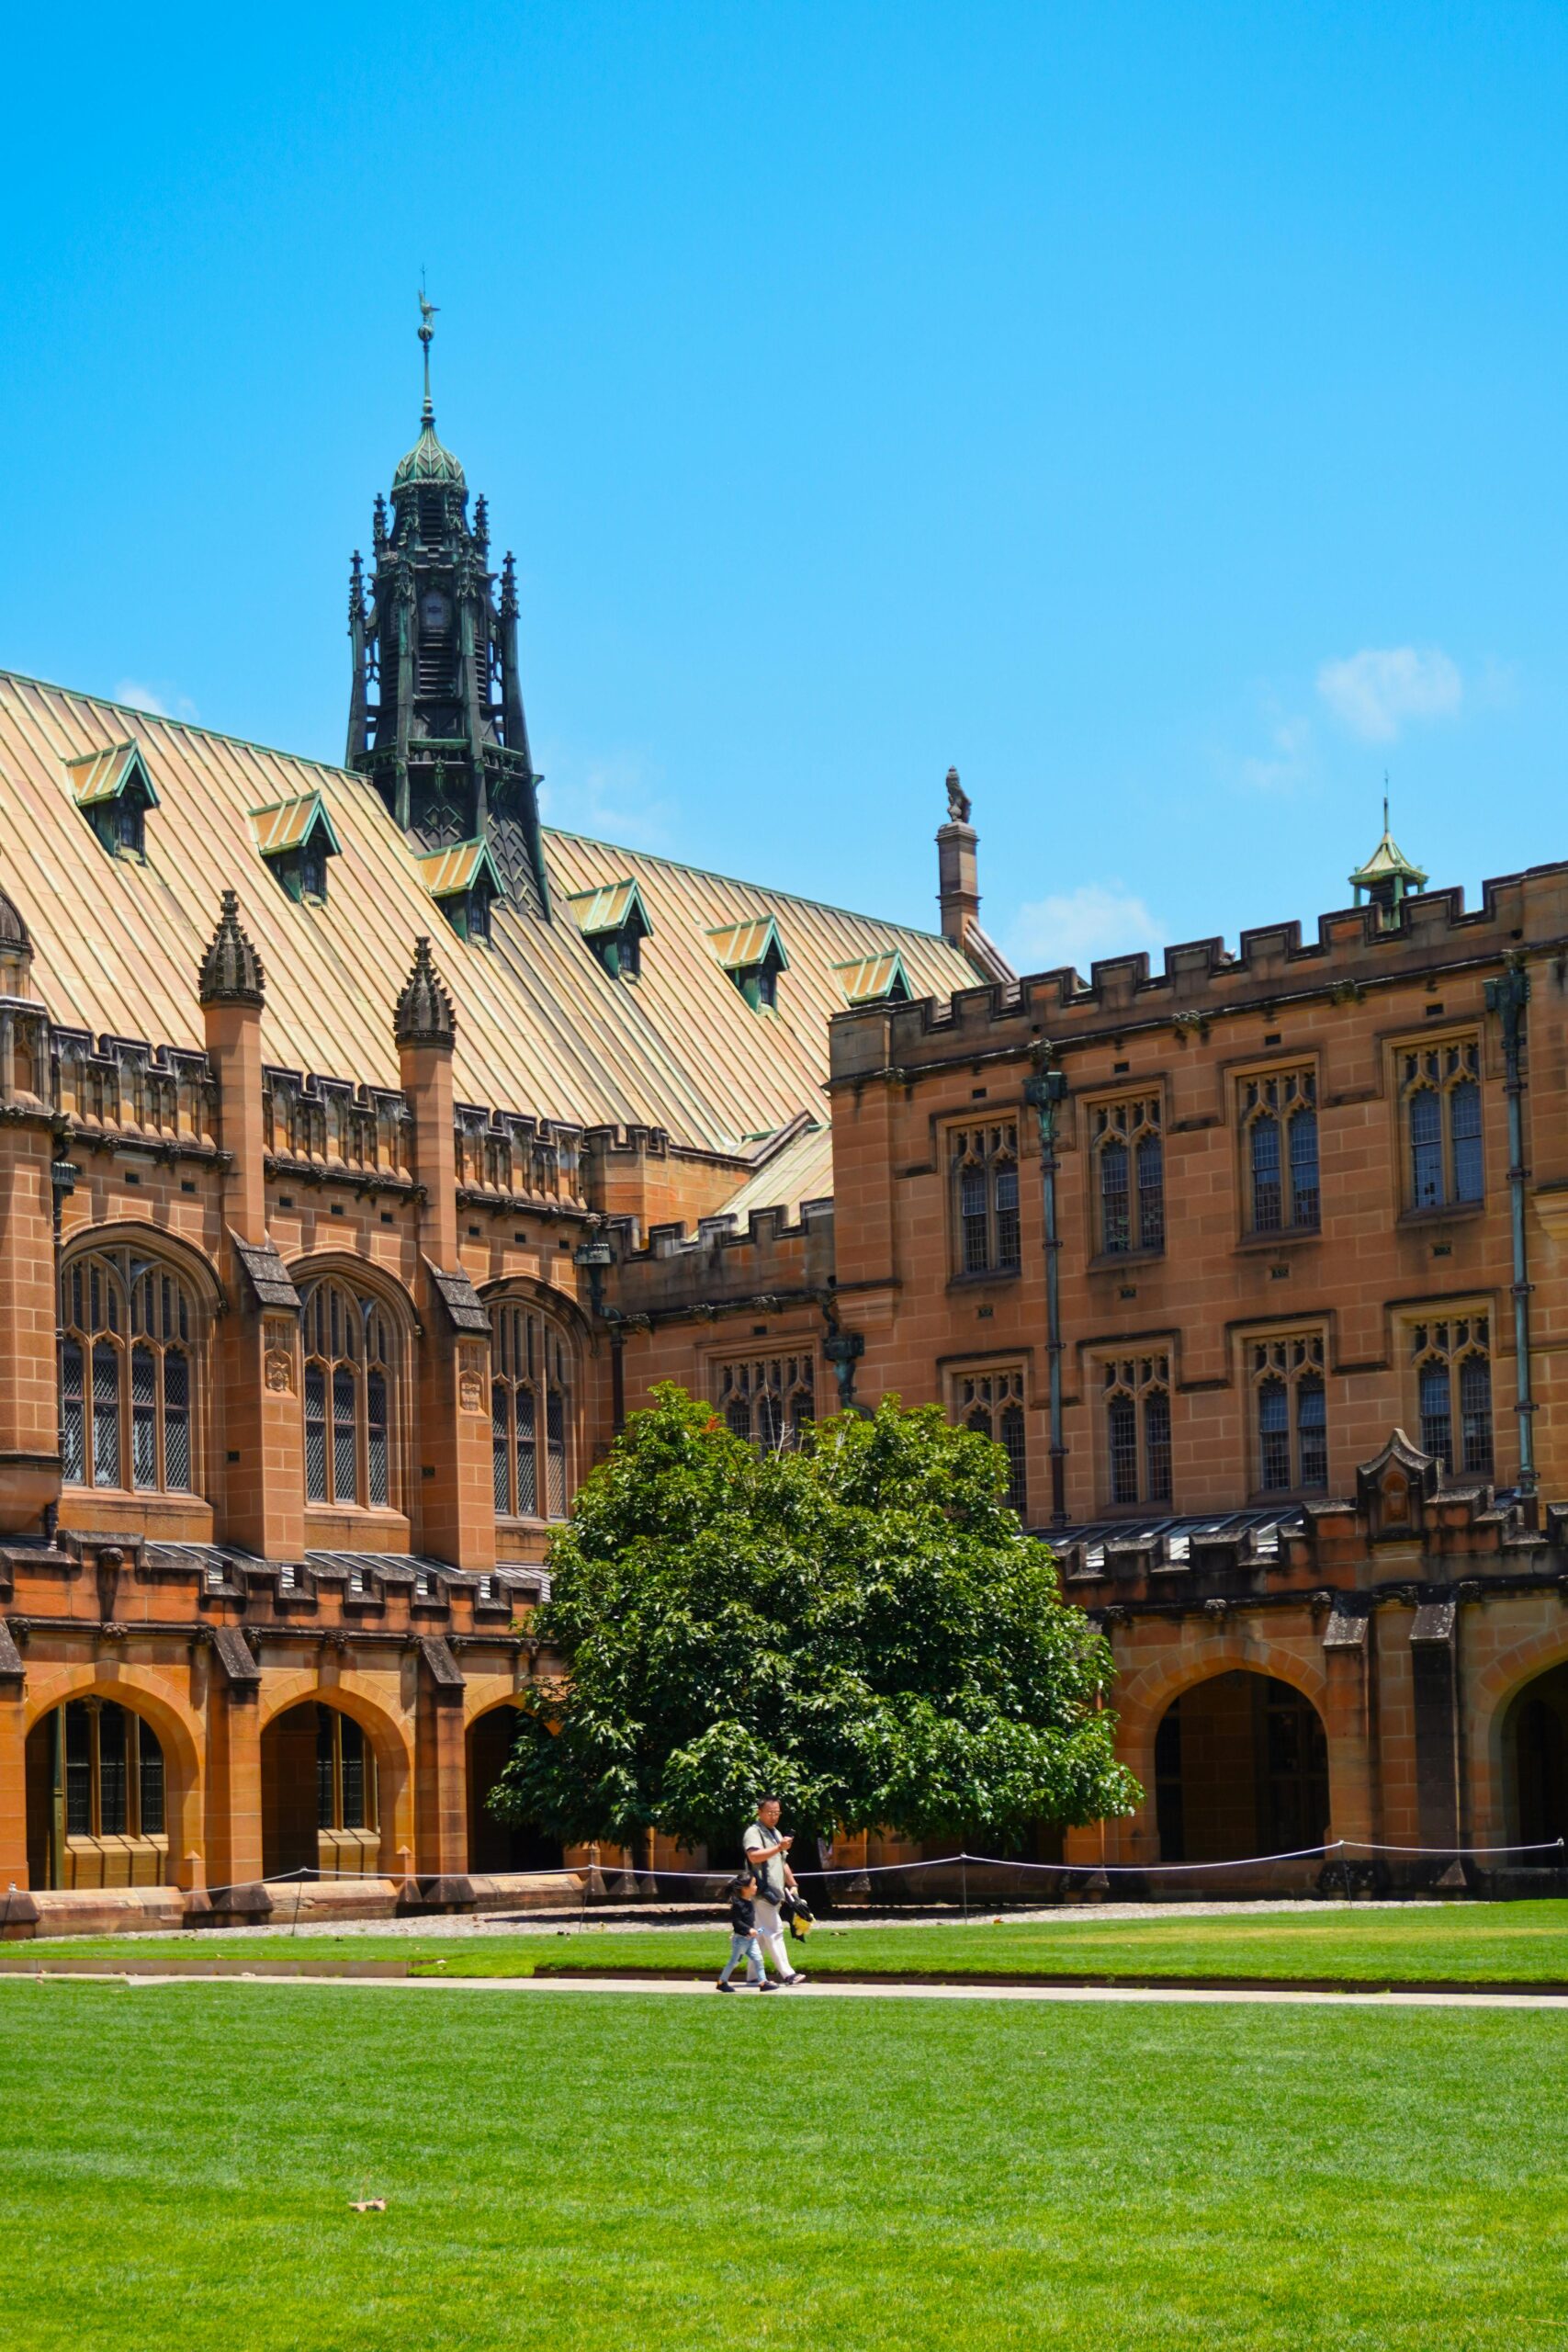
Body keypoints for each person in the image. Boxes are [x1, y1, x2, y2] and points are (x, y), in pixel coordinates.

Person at [741, 1795, 807, 1985]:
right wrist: (779, 1846)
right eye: (770, 1813)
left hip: (774, 1892)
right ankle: (788, 1973)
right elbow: (754, 1856)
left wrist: (792, 1883)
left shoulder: (775, 1833)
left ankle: (753, 1976)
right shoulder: (754, 1832)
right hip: (761, 1891)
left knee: (762, 1935)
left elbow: (782, 1861)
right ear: (759, 1812)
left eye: (777, 1813)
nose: (773, 1817)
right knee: (775, 1929)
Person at [716, 1870, 773, 1992]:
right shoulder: (738, 1904)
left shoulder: (750, 1902)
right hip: (740, 1940)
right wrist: (748, 1929)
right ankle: (722, 1982)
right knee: (734, 1962)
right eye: (754, 1885)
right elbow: (737, 1922)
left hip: (750, 1940)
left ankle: (763, 1982)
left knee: (758, 1959)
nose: (756, 1887)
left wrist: (753, 1930)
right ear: (745, 1888)